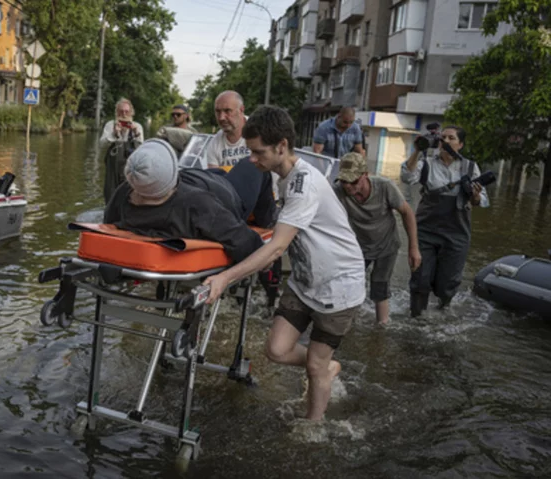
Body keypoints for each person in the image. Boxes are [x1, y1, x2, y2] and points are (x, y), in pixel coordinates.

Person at [204, 106, 366, 422]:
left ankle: (312, 426)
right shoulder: (282, 176)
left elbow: (278, 248)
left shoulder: (304, 184)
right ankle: (327, 365)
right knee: (276, 351)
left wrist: (225, 279)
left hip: (338, 286)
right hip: (306, 281)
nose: (251, 160)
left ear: (281, 146)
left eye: (257, 152)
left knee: (315, 366)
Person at [104, 139, 276, 264]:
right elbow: (247, 244)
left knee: (216, 171)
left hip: (200, 180)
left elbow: (108, 224)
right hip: (230, 194)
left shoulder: (123, 193)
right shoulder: (196, 204)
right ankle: (268, 221)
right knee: (255, 164)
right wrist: (270, 258)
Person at [400, 125, 489, 316]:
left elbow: (483, 201)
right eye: (443, 138)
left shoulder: (471, 167)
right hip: (426, 230)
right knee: (421, 278)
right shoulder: (427, 163)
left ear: (461, 144)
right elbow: (407, 177)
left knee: (447, 282)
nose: (445, 141)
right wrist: (417, 150)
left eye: (451, 138)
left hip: (457, 233)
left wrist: (475, 196)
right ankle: (416, 318)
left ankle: (443, 310)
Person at [333, 152, 422, 325]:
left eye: (353, 181)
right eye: (344, 181)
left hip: (386, 245)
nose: (348, 186)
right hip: (358, 247)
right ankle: (347, 323)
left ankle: (382, 326)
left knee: (379, 285)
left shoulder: (385, 187)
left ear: (365, 175)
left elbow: (407, 212)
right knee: (347, 284)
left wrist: (414, 248)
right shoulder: (338, 191)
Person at [99, 98, 144, 203]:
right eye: (121, 111)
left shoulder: (137, 126)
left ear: (131, 113)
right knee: (110, 191)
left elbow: (142, 150)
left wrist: (136, 133)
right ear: (117, 112)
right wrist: (114, 134)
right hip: (113, 165)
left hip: (130, 165)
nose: (124, 114)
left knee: (129, 191)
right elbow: (102, 144)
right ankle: (109, 212)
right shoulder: (110, 125)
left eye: (126, 111)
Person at [206, 91, 251, 168]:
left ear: (241, 110)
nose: (221, 118)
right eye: (218, 111)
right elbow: (214, 178)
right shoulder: (214, 144)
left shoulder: (260, 132)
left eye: (227, 111)